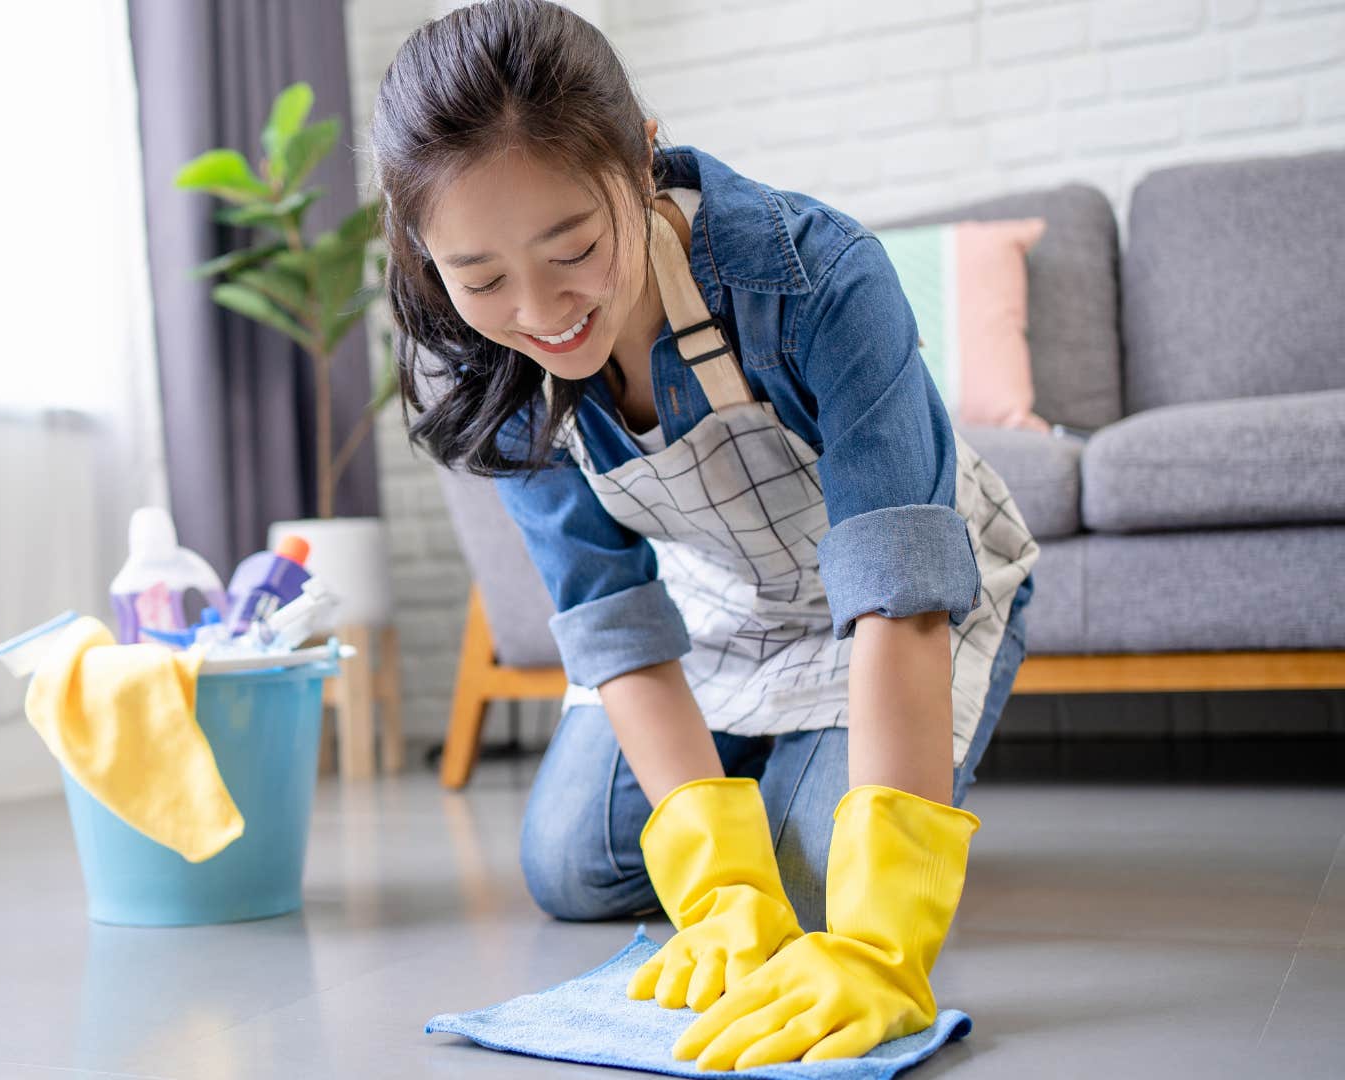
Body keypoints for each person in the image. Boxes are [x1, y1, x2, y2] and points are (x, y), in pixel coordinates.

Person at [371, 0, 1040, 1070]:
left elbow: (899, 599)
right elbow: (613, 616)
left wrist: (876, 941)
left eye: (575, 247)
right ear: (427, 251)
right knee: (573, 863)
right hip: (727, 607)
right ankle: (777, 797)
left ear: (638, 159)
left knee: (824, 886)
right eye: (484, 278)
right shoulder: (481, 360)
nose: (542, 311)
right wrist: (721, 888)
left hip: (900, 608)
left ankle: (830, 795)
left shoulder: (817, 279)